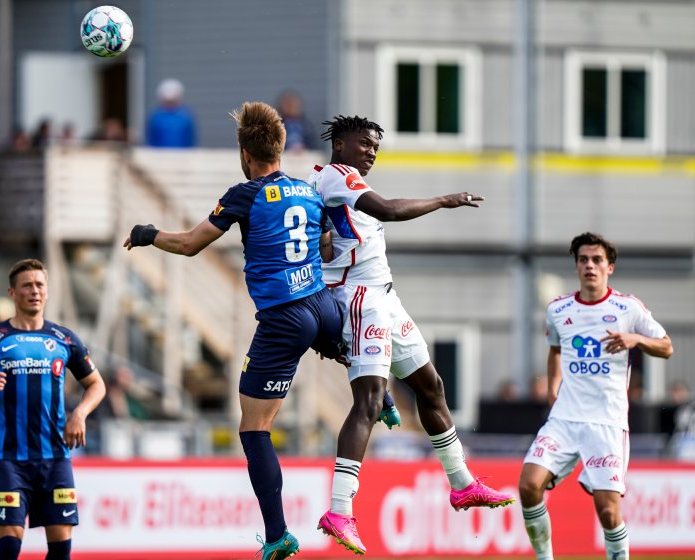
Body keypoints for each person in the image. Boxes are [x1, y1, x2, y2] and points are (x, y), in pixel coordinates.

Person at [125, 101, 347, 560]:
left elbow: (189, 245)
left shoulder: (244, 194)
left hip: (284, 319)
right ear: (280, 148)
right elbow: (326, 247)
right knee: (338, 345)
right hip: (322, 305)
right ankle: (380, 395)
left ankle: (277, 534)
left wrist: (149, 234)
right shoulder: (308, 191)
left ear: (246, 153)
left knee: (254, 429)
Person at [309, 115, 515, 554]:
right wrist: (443, 200)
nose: (371, 152)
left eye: (375, 147)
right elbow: (388, 211)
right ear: (340, 144)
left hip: (384, 296)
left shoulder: (328, 180)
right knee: (367, 401)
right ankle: (339, 508)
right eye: (364, 143)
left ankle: (461, 484)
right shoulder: (338, 176)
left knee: (431, 386)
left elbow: (331, 240)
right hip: (362, 299)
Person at [518, 232, 673, 560]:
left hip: (606, 421)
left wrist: (636, 339)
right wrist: (552, 388)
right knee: (529, 485)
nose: (590, 265)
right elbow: (556, 350)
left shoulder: (627, 308)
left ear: (609, 267)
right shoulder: (558, 309)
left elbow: (667, 346)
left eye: (597, 260)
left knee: (608, 512)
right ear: (576, 266)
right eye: (583, 259)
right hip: (564, 418)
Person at [0, 259, 106, 560]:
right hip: (9, 461)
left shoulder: (64, 339)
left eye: (40, 285)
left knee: (61, 550)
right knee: (10, 545)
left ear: (47, 292)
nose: (34, 291)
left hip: (55, 458)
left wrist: (78, 414)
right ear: (12, 293)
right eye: (27, 285)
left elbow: (97, 385)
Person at [146, 78, 197, 148]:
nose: (170, 103)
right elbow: (151, 140)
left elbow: (190, 140)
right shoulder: (156, 118)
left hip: (183, 156)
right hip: (159, 156)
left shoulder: (185, 117)